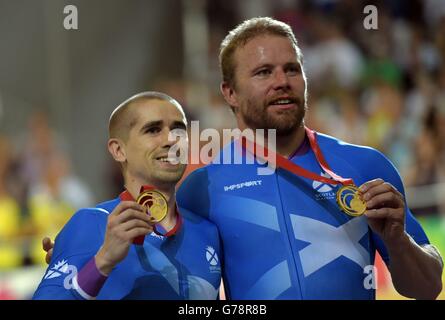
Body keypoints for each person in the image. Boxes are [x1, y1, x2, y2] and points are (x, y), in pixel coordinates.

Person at [177, 17, 443, 299]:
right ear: (230, 92)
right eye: (264, 72)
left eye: (292, 69)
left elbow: (428, 288)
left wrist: (398, 241)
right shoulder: (200, 190)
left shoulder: (366, 166)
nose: (282, 82)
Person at [33, 92, 221, 300]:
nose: (171, 139)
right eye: (153, 130)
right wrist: (102, 262)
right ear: (118, 150)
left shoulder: (208, 231)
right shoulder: (91, 224)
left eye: (178, 129)